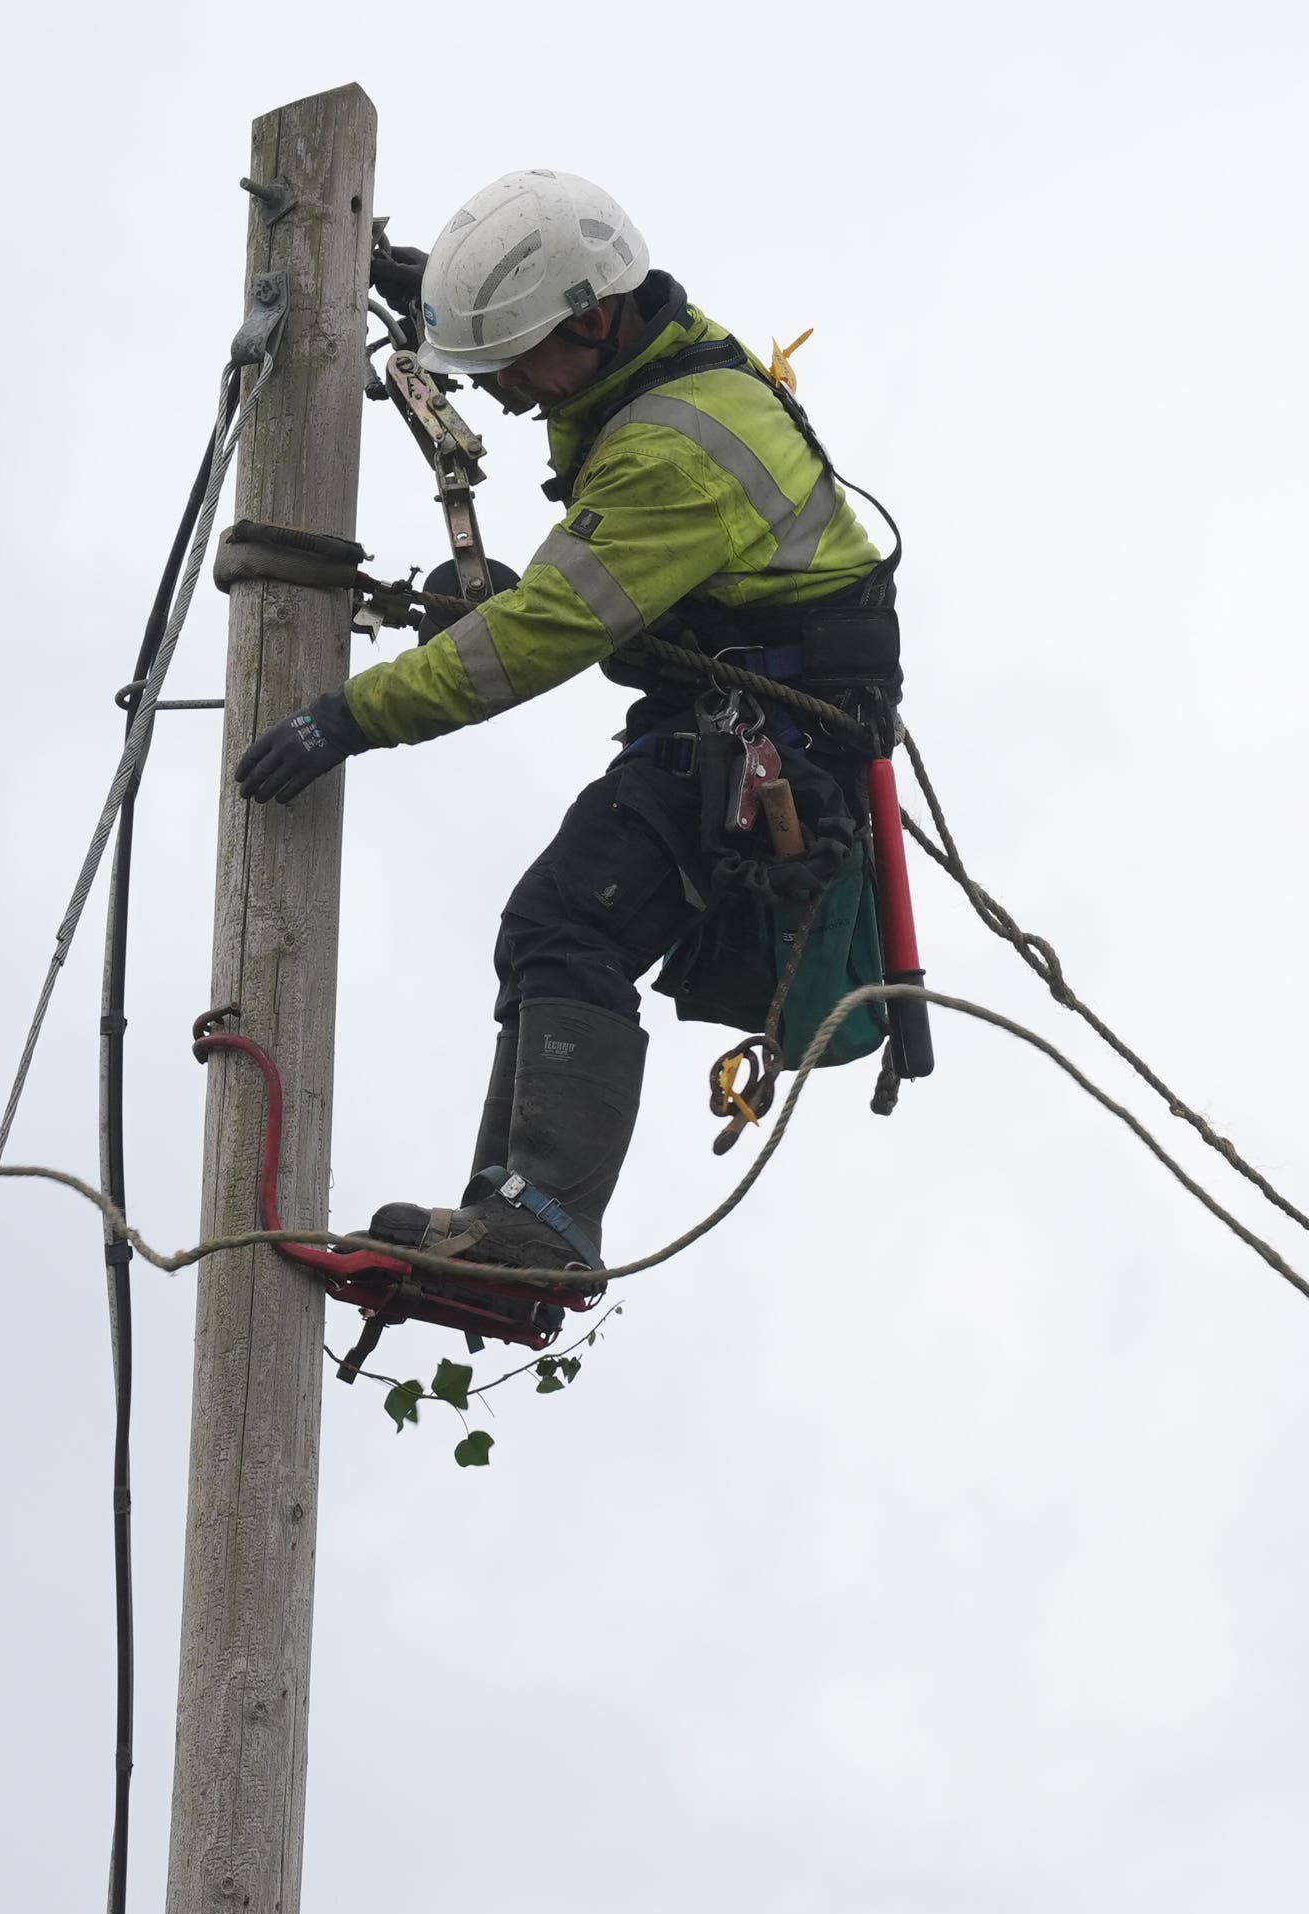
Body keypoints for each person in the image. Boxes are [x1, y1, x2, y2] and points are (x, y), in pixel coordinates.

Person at [233, 168, 901, 1277]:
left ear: (594, 318)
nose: (498, 393)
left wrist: (349, 716)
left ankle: (535, 1227)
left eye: (511, 364)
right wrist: (431, 304)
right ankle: (507, 1214)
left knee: (566, 925)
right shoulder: (664, 350)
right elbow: (571, 410)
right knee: (554, 926)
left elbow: (542, 632)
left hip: (764, 746)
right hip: (724, 719)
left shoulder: (674, 451)